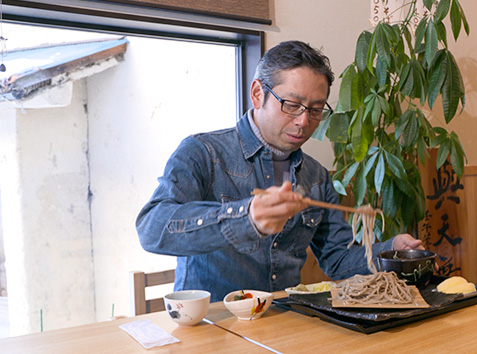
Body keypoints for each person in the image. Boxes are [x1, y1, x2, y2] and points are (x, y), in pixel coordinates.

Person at [136, 40, 426, 302]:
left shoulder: (316, 176)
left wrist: (391, 250)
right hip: (213, 323)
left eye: (315, 110)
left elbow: (337, 259)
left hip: (285, 318)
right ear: (257, 93)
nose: (304, 121)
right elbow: (151, 229)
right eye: (291, 105)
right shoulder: (204, 152)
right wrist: (246, 217)